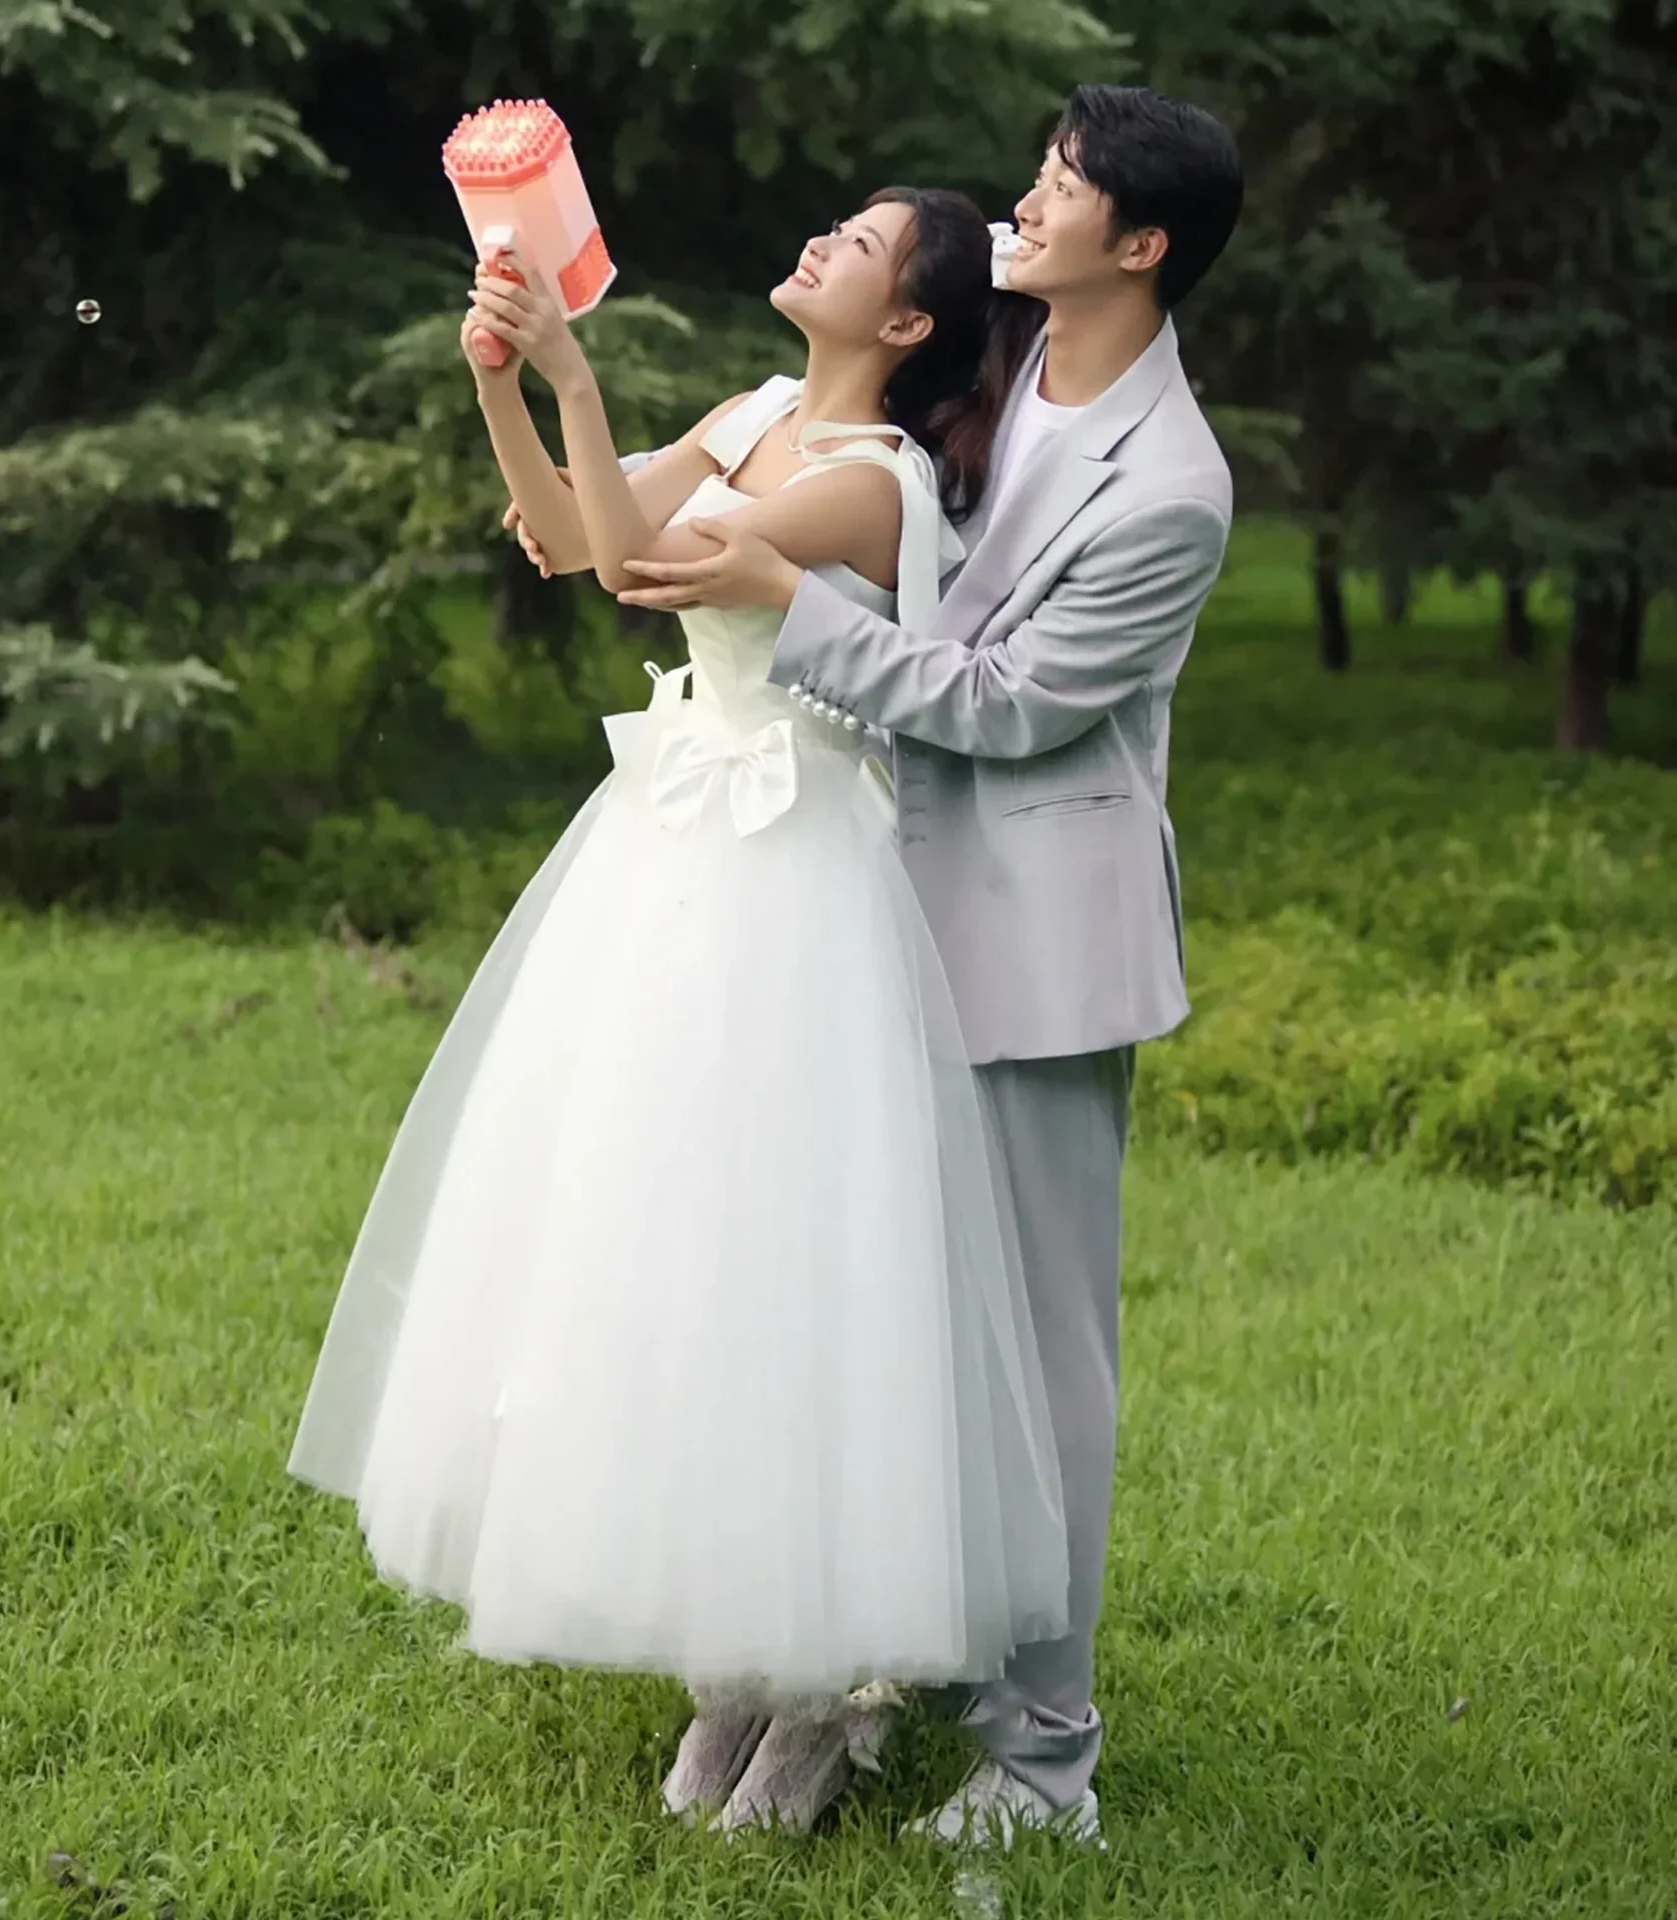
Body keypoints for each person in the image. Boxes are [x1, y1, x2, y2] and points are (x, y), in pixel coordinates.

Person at [287, 185, 1073, 1837]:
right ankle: (739, 1656)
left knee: (783, 1252)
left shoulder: (876, 484)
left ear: (911, 320)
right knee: (659, 1233)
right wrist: (507, 381)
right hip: (673, 857)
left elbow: (656, 562)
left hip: (800, 882)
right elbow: (577, 539)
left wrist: (576, 381)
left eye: (856, 247)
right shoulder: (766, 408)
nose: (816, 246)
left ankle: (827, 1688)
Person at [605, 85, 1246, 1849]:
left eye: (1063, 191)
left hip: (1037, 948)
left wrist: (788, 607)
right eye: (1038, 177)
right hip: (865, 905)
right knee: (867, 1313)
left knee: (1037, 1362)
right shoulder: (1003, 371)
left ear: (1145, 245)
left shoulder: (1172, 488)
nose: (1025, 207)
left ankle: (1045, 1758)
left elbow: (1017, 707)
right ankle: (862, 1654)